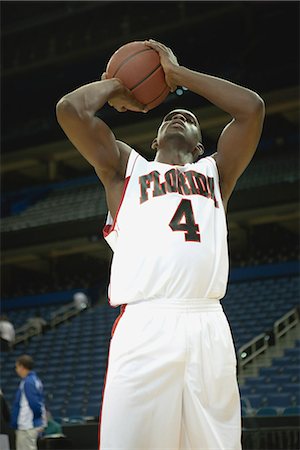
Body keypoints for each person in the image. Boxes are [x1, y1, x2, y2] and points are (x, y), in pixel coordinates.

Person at [56, 39, 265, 450]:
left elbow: (252, 108)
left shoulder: (216, 174)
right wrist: (116, 85)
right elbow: (70, 110)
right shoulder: (125, 170)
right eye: (169, 115)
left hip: (207, 323)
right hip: (146, 324)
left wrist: (177, 75)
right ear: (153, 142)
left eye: (188, 117)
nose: (178, 116)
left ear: (200, 146)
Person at [11, 354, 46, 450]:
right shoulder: (34, 380)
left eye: (17, 367)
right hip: (29, 424)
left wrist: (36, 419)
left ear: (22, 367)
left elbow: (34, 404)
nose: (16, 370)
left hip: (27, 425)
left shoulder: (28, 382)